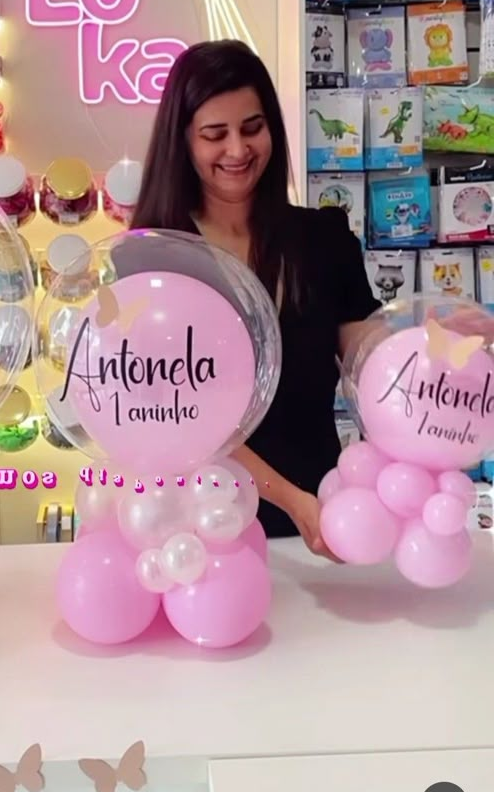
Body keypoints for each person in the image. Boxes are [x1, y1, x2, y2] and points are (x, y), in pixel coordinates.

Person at [129, 40, 380, 558]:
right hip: (197, 541)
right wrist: (291, 501)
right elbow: (185, 424)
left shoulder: (323, 239)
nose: (238, 151)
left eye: (252, 128)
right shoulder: (152, 262)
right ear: (182, 142)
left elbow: (371, 360)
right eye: (214, 135)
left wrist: (436, 346)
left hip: (322, 528)